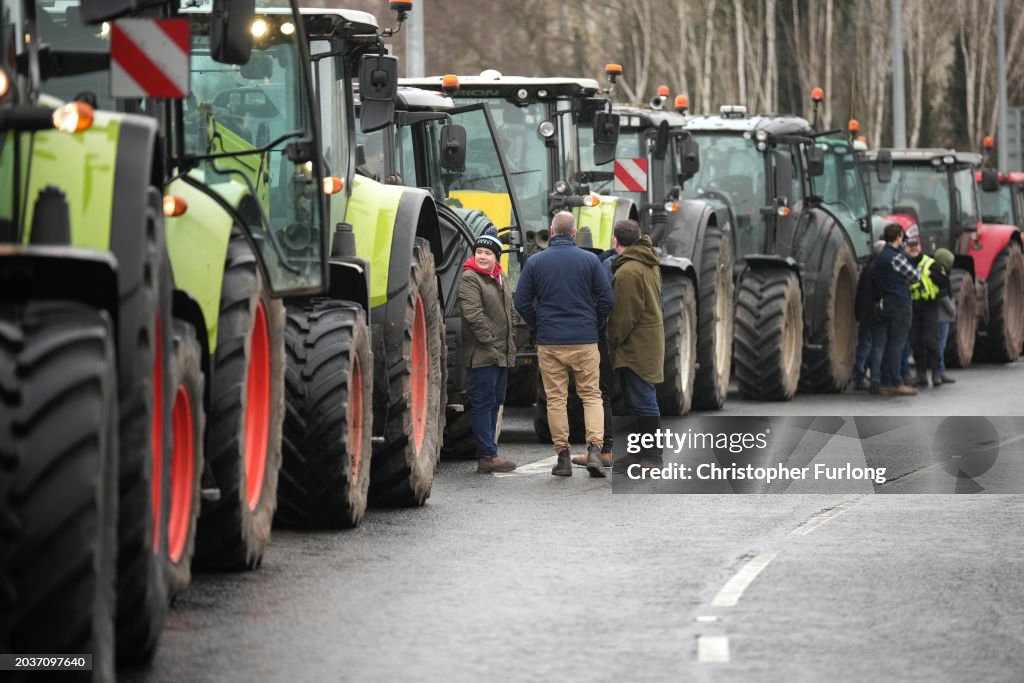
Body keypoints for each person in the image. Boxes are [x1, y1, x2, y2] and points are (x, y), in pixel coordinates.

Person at [514, 211, 614, 478]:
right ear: (573, 233)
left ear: (552, 230)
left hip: (551, 342)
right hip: (584, 339)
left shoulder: (536, 262)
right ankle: (594, 450)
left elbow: (521, 301)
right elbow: (607, 299)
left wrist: (539, 325)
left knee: (555, 400)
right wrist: (595, 324)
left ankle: (563, 457)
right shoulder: (590, 260)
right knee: (591, 396)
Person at [605, 219, 665, 470]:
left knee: (643, 401)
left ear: (614, 241)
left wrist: (611, 341)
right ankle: (637, 454)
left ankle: (652, 457)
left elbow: (624, 316)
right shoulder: (646, 263)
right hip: (646, 342)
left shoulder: (628, 271)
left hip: (636, 346)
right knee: (634, 400)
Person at [458, 227, 518, 473]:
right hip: (483, 353)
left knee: (496, 402)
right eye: (478, 252)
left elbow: (509, 310)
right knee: (483, 403)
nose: (482, 256)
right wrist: (490, 342)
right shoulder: (470, 278)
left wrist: (510, 336)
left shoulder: (499, 277)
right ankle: (486, 455)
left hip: (501, 353)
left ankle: (491, 451)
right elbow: (473, 315)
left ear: (497, 257)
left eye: (487, 253)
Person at [869, 222, 920, 396]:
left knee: (882, 344)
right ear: (899, 236)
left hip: (884, 304)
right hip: (900, 305)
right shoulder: (897, 258)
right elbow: (915, 276)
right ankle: (896, 381)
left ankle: (881, 380)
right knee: (897, 344)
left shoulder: (882, 256)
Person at [906, 233, 950, 388]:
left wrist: (933, 276)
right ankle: (921, 375)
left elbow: (946, 282)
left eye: (916, 246)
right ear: (906, 248)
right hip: (913, 308)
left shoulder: (931, 264)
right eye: (910, 247)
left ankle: (936, 373)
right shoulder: (904, 264)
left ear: (920, 247)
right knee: (916, 342)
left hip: (930, 307)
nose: (914, 249)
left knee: (931, 341)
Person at [851, 240, 887, 390]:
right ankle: (867, 377)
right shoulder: (878, 269)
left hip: (865, 311)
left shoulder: (867, 267)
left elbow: (860, 292)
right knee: (872, 345)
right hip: (874, 312)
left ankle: (860, 374)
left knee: (865, 343)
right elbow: (879, 291)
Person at [933, 248, 957, 384]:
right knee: (940, 345)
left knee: (938, 345)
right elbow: (943, 295)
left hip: (939, 316)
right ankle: (940, 372)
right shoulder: (941, 274)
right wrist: (953, 309)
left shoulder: (935, 271)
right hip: (942, 317)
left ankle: (939, 371)